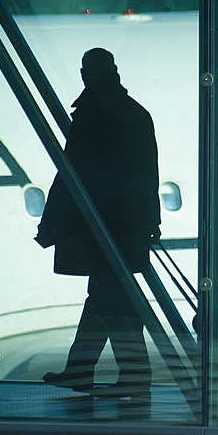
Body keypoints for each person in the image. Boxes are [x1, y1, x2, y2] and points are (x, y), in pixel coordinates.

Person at [35, 47, 160, 400]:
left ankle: (134, 375)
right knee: (104, 296)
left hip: (99, 227)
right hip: (129, 226)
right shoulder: (137, 113)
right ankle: (81, 368)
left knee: (111, 300)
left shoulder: (91, 114)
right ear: (115, 71)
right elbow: (148, 174)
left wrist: (50, 225)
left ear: (84, 74)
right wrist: (152, 221)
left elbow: (70, 175)